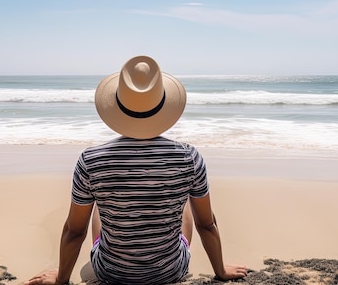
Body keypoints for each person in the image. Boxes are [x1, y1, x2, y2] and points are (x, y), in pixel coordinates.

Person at [25, 55, 247, 285]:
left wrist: (61, 279)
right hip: (170, 272)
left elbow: (74, 231)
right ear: (164, 104)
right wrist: (220, 270)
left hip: (110, 273)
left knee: (99, 207)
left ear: (117, 105)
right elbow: (206, 224)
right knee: (186, 205)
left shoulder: (91, 160)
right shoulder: (189, 157)